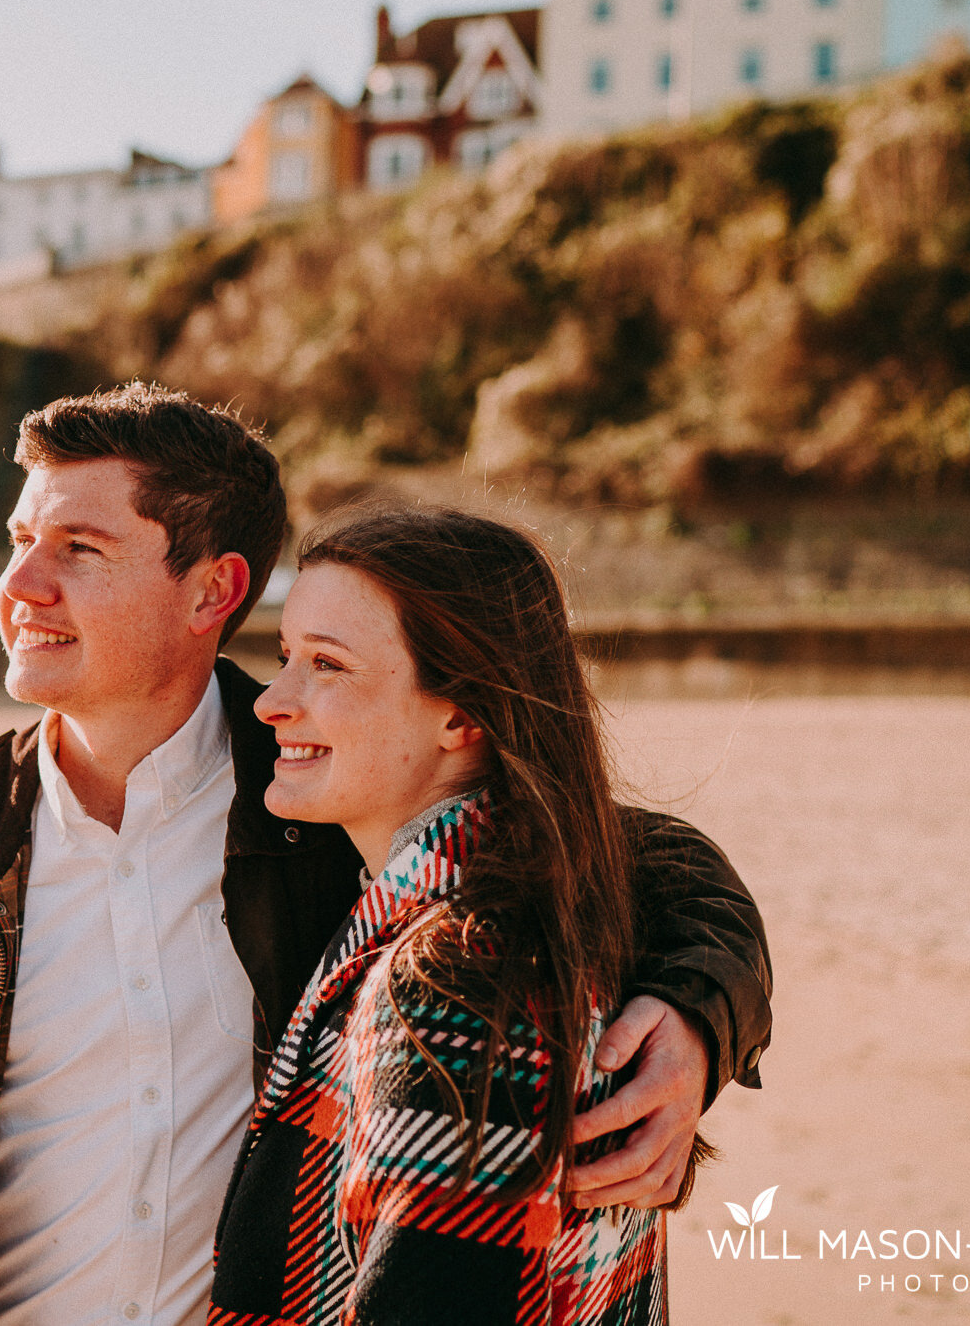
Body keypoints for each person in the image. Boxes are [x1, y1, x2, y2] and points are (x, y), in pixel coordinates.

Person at [0, 384, 771, 1326]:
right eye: (19, 542)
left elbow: (609, 845)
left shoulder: (325, 792)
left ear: (212, 588)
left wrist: (697, 1012)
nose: (19, 586)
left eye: (79, 549)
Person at [209, 507, 705, 1324]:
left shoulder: (459, 981)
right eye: (284, 655)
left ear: (460, 715)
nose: (273, 701)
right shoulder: (556, 899)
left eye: (327, 665)